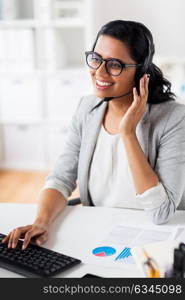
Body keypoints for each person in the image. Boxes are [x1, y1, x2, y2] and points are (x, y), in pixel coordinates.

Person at [2, 20, 185, 250]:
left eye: (114, 64)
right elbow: (61, 178)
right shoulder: (87, 108)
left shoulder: (174, 118)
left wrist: (128, 133)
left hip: (153, 239)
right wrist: (42, 222)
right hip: (100, 231)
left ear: (140, 71)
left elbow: (161, 213)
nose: (99, 72)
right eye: (96, 59)